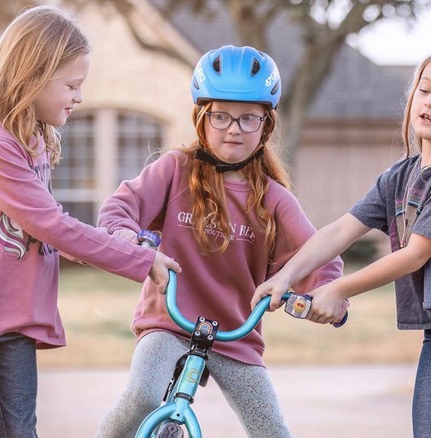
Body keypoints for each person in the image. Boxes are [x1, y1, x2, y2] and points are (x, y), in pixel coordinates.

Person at [0, 6, 181, 437]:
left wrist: (130, 241)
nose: (79, 97)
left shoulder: (35, 139)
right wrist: (137, 258)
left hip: (11, 319)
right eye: (72, 85)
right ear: (32, 76)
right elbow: (53, 226)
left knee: (21, 432)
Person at [253, 42, 431, 437]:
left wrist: (338, 288)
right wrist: (285, 276)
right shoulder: (399, 176)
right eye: (424, 89)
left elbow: (414, 255)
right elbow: (339, 231)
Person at [94, 45, 346, 437]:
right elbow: (117, 212)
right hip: (169, 322)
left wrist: (330, 293)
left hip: (236, 332)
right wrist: (136, 243)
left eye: (249, 118)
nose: (234, 128)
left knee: (271, 430)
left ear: (267, 124)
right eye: (221, 116)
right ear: (201, 118)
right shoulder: (174, 171)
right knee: (143, 396)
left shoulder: (274, 198)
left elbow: (317, 256)